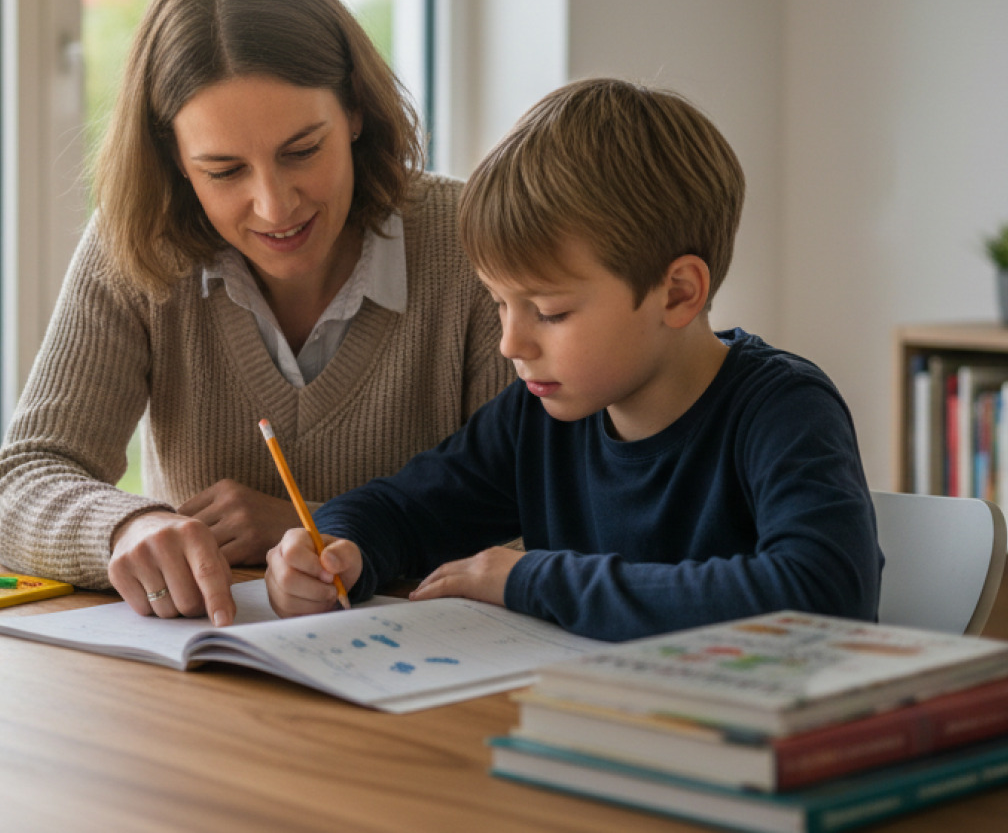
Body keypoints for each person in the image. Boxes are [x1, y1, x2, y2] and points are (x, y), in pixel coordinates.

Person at [0, 0, 509, 627]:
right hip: (208, 682)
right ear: (175, 159)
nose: (274, 205)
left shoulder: (469, 245)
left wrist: (315, 523)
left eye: (302, 151)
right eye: (224, 170)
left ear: (353, 109)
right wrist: (128, 527)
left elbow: (545, 514)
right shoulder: (136, 246)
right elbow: (24, 479)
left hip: (428, 683)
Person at [266, 78, 882, 640]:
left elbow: (820, 595)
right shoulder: (537, 418)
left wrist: (529, 579)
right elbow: (402, 509)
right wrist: (336, 549)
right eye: (500, 304)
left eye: (551, 312)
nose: (511, 344)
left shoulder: (783, 411)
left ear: (678, 293)